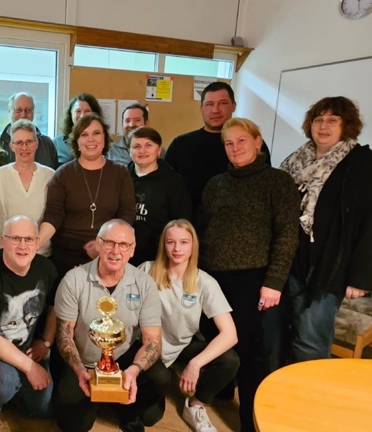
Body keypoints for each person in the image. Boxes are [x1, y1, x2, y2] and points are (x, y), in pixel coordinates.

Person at [197, 117, 299, 432]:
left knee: (254, 353)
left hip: (254, 281)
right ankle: (224, 392)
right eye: (229, 143)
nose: (235, 148)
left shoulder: (278, 182)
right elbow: (203, 230)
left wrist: (273, 283)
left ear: (257, 142)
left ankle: (249, 423)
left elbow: (287, 235)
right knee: (219, 343)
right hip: (214, 279)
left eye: (242, 140)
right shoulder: (216, 184)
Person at [278, 96, 372, 364]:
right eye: (319, 119)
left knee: (311, 338)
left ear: (347, 126)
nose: (324, 126)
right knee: (287, 331)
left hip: (330, 267)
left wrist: (361, 277)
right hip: (293, 262)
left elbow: (369, 225)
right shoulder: (298, 159)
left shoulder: (362, 164)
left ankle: (310, 398)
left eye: (333, 120)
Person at [54, 219, 170, 432]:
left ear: (132, 250)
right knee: (73, 424)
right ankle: (102, 397)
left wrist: (133, 372)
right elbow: (64, 335)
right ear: (98, 244)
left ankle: (126, 411)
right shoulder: (73, 280)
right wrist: (79, 369)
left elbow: (153, 340)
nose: (116, 250)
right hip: (84, 360)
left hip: (123, 359)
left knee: (157, 392)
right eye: (109, 243)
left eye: (124, 245)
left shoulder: (144, 283)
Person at [138, 220, 239, 432]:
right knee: (149, 417)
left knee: (229, 360)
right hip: (146, 347)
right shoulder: (146, 270)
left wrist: (195, 364)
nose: (177, 249)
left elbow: (230, 334)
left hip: (181, 346)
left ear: (193, 246)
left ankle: (195, 406)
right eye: (171, 242)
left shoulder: (205, 282)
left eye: (184, 242)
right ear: (163, 245)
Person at [0, 215, 58, 429]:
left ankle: (9, 393)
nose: (23, 246)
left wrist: (46, 342)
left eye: (29, 239)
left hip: (26, 350)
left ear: (38, 242)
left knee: (42, 407)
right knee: (5, 383)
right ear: (3, 241)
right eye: (15, 239)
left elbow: (55, 307)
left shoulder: (47, 269)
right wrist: (30, 368)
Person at [40, 113, 136, 278]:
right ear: (77, 142)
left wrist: (106, 244)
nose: (90, 139)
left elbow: (126, 215)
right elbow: (54, 214)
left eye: (96, 133)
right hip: (66, 255)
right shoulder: (63, 174)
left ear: (104, 139)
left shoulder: (120, 173)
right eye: (84, 134)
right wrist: (35, 243)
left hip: (109, 253)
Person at [166, 82, 271, 212]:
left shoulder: (251, 144)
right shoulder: (181, 144)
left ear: (233, 106)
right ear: (201, 108)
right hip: (188, 225)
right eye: (209, 104)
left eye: (223, 103)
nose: (215, 110)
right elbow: (166, 188)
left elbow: (265, 186)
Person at [0, 119, 55, 260]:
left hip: (40, 255)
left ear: (36, 144)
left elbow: (54, 216)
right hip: (4, 256)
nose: (24, 147)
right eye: (19, 143)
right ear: (11, 146)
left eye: (29, 142)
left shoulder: (50, 176)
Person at [126, 127, 191, 265]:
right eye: (136, 146)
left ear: (159, 150)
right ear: (129, 152)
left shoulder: (173, 181)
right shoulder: (121, 177)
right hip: (124, 255)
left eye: (148, 145)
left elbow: (182, 221)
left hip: (159, 257)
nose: (142, 151)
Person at [0, 92, 58, 169]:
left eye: (28, 110)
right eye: (18, 110)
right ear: (9, 111)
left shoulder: (47, 144)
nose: (23, 115)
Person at [53, 93, 103, 166]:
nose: (82, 115)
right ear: (70, 114)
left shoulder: (101, 140)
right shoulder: (57, 143)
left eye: (87, 111)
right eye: (78, 111)